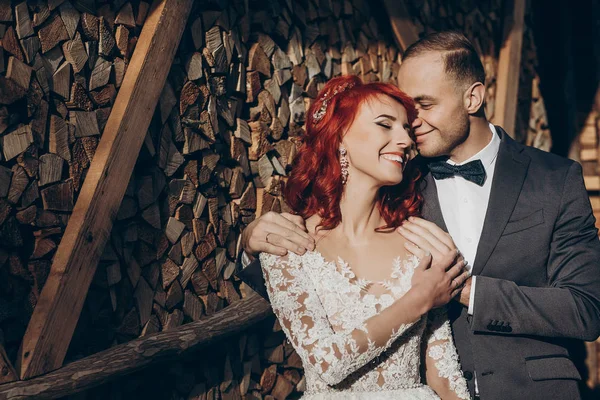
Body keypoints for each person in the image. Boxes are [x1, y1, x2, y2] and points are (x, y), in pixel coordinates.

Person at [237, 32, 600, 400]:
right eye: (408, 111)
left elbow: (585, 309)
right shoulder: (395, 180)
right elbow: (314, 279)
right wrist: (253, 240)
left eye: (424, 106)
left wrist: (463, 289)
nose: (412, 125)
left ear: (472, 97)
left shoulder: (555, 179)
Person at [255, 75, 471, 399]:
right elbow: (326, 363)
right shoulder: (288, 246)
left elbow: (444, 375)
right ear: (340, 136)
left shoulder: (418, 243)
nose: (405, 140)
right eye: (386, 125)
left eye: (406, 129)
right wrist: (419, 300)